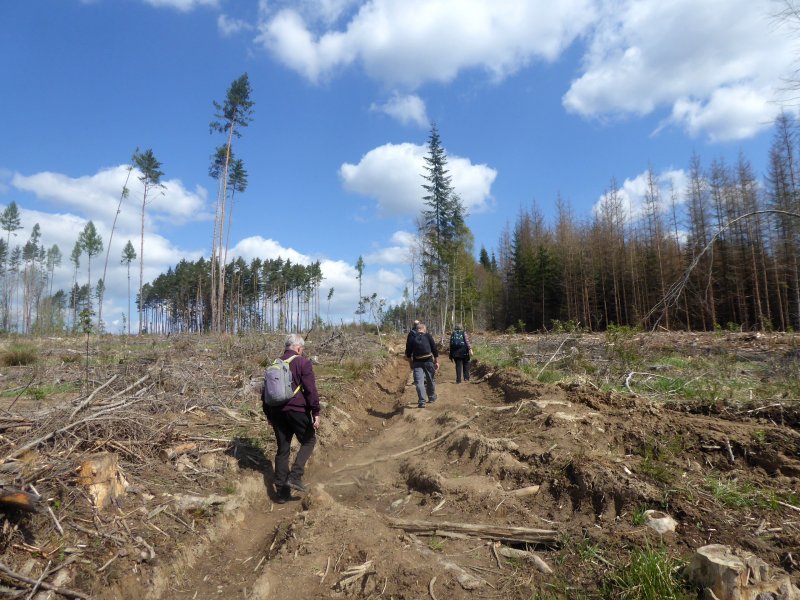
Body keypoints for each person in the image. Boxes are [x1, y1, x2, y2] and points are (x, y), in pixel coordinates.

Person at [263, 334, 321, 503]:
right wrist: (315, 412)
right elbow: (311, 390)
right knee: (309, 440)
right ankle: (295, 476)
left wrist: (269, 415)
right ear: (298, 348)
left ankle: (281, 492)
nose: (302, 352)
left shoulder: (274, 365)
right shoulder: (303, 363)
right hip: (296, 410)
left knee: (283, 449)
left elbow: (265, 394)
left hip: (276, 412)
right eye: (302, 350)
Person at [405, 322, 438, 408]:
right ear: (424, 329)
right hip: (428, 361)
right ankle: (431, 397)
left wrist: (411, 363)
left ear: (416, 330)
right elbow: (434, 349)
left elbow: (408, 352)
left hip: (417, 362)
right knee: (430, 380)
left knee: (419, 382)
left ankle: (422, 401)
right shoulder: (428, 336)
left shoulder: (413, 338)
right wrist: (436, 361)